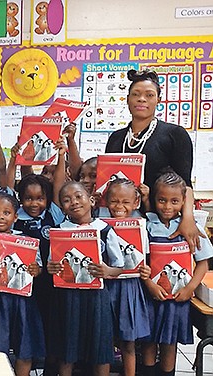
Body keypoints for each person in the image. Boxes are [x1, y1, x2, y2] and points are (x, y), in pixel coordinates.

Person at [105, 69, 200, 251]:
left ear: (158, 100)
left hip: (162, 222)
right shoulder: (116, 138)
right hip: (122, 219)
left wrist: (187, 218)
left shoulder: (175, 134)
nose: (142, 99)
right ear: (127, 99)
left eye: (149, 95)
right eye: (136, 94)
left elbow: (185, 184)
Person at [47, 181, 124, 376]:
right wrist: (52, 267)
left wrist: (107, 271)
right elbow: (50, 265)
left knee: (100, 347)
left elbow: (119, 266)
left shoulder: (105, 230)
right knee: (67, 348)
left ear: (91, 200)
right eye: (66, 200)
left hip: (97, 297)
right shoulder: (59, 231)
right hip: (67, 297)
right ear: (62, 206)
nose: (74, 202)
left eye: (78, 196)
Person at [142, 172, 213, 376]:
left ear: (184, 201)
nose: (167, 206)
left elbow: (203, 263)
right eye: (162, 200)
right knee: (148, 340)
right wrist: (149, 284)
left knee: (169, 342)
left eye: (174, 201)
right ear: (154, 199)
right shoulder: (147, 226)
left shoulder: (191, 228)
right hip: (151, 296)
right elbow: (141, 263)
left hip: (177, 299)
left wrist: (190, 288)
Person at [0, 192, 45, 376]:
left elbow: (38, 266)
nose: (0, 216)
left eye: (6, 212)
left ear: (15, 216)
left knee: (24, 348)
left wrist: (36, 269)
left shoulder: (26, 239)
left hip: (22, 300)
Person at [12, 173, 65, 375]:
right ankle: (30, 365)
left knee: (50, 326)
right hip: (24, 285)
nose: (34, 203)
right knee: (28, 328)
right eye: (28, 198)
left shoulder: (54, 215)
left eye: (40, 198)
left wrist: (61, 154)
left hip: (50, 284)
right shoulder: (15, 218)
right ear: (20, 199)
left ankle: (49, 368)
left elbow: (59, 186)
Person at [101, 178, 152, 376]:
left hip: (130, 287)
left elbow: (144, 259)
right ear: (106, 200)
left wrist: (145, 271)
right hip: (105, 286)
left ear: (136, 202)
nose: (119, 206)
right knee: (104, 340)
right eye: (114, 201)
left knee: (128, 342)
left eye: (125, 202)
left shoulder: (141, 225)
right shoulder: (98, 222)